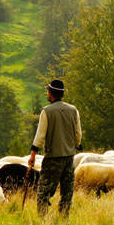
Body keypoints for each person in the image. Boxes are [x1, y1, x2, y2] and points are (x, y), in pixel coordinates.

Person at [28, 79, 82, 216]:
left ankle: (42, 219)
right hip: (69, 157)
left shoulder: (46, 111)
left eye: (47, 91)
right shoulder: (73, 110)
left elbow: (40, 136)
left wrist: (33, 154)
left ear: (51, 93)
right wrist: (75, 146)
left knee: (44, 191)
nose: (47, 93)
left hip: (53, 158)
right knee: (67, 192)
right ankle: (63, 218)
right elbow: (78, 134)